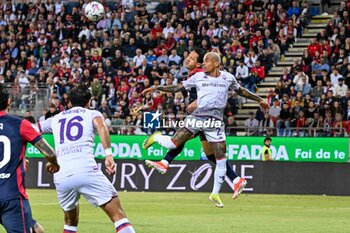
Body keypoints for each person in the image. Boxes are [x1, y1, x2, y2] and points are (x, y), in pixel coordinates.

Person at [142, 52, 269, 208]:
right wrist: (157, 87)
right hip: (196, 118)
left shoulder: (227, 78)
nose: (204, 64)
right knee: (172, 144)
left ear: (216, 63)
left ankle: (215, 192)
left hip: (214, 123)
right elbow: (178, 87)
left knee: (220, 157)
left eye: (206, 61)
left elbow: (241, 90)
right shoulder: (198, 77)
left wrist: (260, 100)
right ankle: (157, 138)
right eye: (202, 61)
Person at [38, 85, 135, 233]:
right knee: (118, 216)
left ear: (69, 102)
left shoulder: (55, 119)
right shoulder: (92, 114)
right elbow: (102, 127)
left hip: (61, 175)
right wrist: (108, 154)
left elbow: (31, 130)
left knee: (70, 222)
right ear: (89, 102)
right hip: (86, 170)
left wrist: (50, 156)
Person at [0, 84, 60, 233]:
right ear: (9, 102)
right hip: (11, 196)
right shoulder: (20, 124)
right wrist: (53, 164)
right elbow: (50, 153)